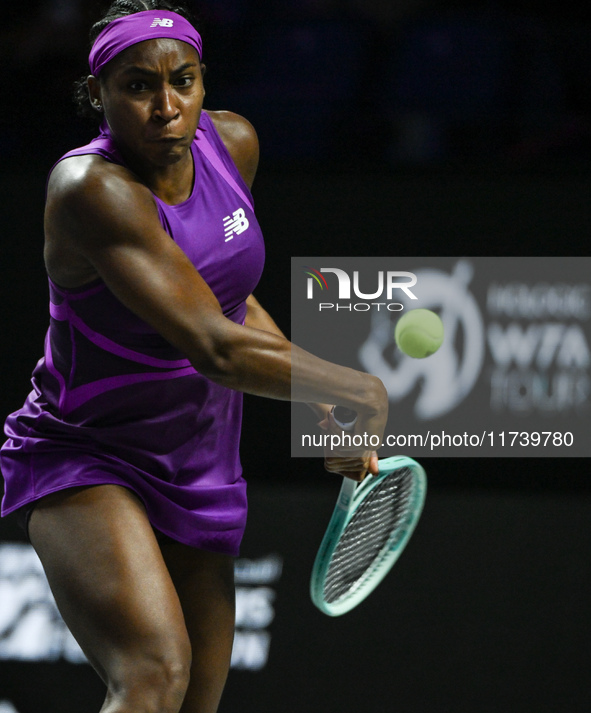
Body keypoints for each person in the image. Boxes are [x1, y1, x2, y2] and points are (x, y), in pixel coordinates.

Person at [0, 2, 388, 712]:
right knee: (153, 674)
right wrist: (356, 388)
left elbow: (229, 306)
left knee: (197, 701)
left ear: (205, 81)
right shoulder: (92, 190)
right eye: (138, 86)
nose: (166, 106)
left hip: (198, 460)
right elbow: (213, 347)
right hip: (87, 452)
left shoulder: (233, 143)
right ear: (98, 96)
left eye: (182, 80)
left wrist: (317, 392)